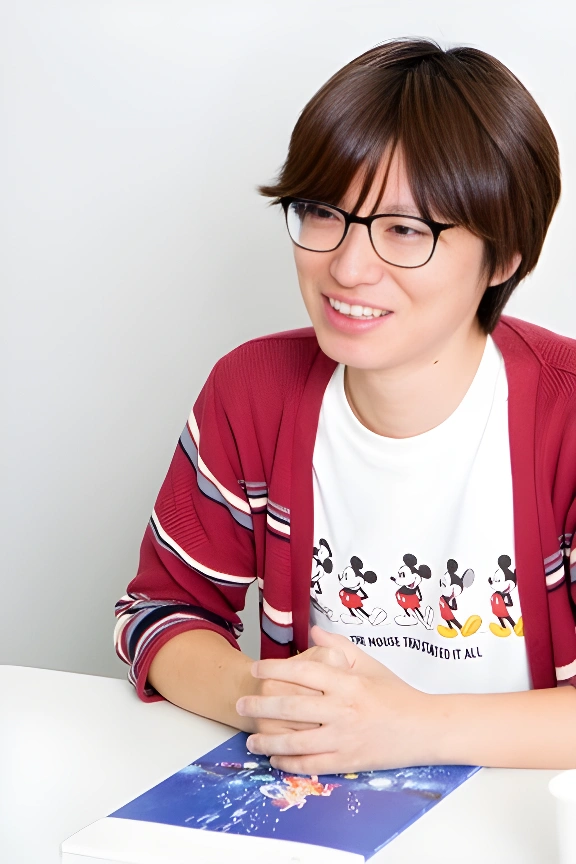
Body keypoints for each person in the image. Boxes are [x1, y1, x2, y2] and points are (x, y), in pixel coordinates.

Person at [114, 39, 576, 774]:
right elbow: (161, 614)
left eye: (406, 230)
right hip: (323, 807)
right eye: (323, 213)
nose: (348, 267)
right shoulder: (252, 390)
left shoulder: (566, 411)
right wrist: (274, 704)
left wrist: (412, 728)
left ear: (505, 256)